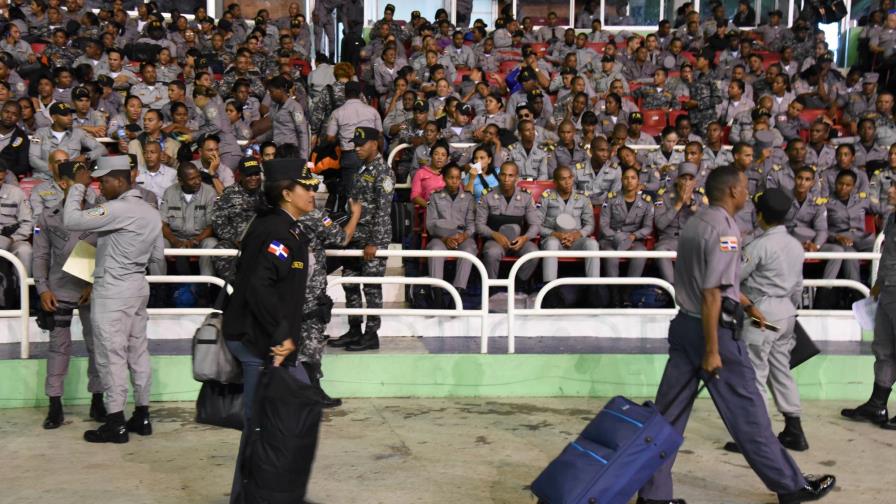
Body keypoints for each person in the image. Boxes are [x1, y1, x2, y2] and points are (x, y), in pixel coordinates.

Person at [636, 166, 836, 504]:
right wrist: (713, 349)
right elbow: (712, 291)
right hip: (712, 332)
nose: (748, 193)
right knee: (749, 415)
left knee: (667, 417)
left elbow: (713, 279)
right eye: (745, 187)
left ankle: (654, 495)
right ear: (732, 191)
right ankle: (790, 486)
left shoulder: (696, 222)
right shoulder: (726, 230)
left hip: (684, 326)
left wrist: (744, 303)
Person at [64, 155, 165, 444]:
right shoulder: (150, 212)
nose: (101, 187)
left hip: (113, 290)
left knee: (111, 356)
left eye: (104, 181)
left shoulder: (118, 208)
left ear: (120, 181)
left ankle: (116, 422)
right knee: (138, 352)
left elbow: (71, 220)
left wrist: (78, 187)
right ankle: (142, 416)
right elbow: (157, 257)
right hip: (137, 285)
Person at [722, 188, 809, 454]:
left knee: (754, 375)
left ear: (760, 216)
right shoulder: (795, 245)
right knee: (781, 371)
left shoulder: (759, 246)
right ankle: (794, 429)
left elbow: (732, 277)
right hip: (786, 313)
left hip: (761, 315)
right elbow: (797, 286)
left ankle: (756, 437)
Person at [33, 160, 105, 430]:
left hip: (91, 288)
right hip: (59, 289)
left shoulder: (98, 213)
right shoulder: (47, 216)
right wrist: (42, 288)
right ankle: (55, 405)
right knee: (58, 347)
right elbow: (40, 255)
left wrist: (93, 283)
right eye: (79, 178)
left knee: (96, 345)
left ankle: (98, 399)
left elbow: (105, 249)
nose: (85, 182)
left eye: (86, 178)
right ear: (63, 183)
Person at [328, 127, 394, 352]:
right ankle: (354, 329)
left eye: (361, 144)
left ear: (375, 144)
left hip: (372, 241)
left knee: (372, 288)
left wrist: (374, 242)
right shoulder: (361, 168)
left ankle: (371, 334)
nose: (356, 147)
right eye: (355, 143)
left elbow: (383, 211)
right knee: (350, 283)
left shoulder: (383, 172)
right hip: (356, 237)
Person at [841, 179, 896, 429]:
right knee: (883, 348)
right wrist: (880, 282)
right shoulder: (893, 218)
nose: (890, 191)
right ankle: (877, 404)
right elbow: (889, 255)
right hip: (888, 290)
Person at [475, 161, 542, 283]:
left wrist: (525, 238)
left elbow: (535, 225)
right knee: (491, 252)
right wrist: (494, 235)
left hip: (518, 241)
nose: (506, 179)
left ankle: (518, 284)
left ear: (516, 178)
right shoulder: (487, 195)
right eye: (503, 175)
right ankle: (491, 287)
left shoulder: (525, 196)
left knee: (533, 252)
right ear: (499, 176)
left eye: (510, 176)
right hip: (495, 241)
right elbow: (479, 225)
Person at [426, 164, 478, 302]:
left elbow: (471, 224)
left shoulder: (467, 197)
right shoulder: (435, 197)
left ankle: (458, 295)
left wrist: (464, 236)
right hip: (441, 237)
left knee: (469, 249)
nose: (454, 181)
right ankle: (437, 294)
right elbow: (430, 225)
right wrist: (445, 239)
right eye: (450, 178)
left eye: (457, 178)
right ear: (444, 178)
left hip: (462, 237)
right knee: (435, 249)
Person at [538, 166, 598, 284]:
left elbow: (590, 224)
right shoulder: (546, 197)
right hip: (554, 239)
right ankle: (550, 289)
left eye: (570, 178)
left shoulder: (583, 198)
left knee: (592, 244)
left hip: (576, 240)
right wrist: (555, 234)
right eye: (563, 179)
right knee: (551, 243)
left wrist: (577, 234)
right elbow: (536, 225)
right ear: (555, 182)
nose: (567, 182)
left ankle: (594, 288)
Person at [211, 157, 265, 283]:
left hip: (263, 241)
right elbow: (218, 222)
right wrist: (236, 239)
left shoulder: (268, 194)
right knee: (220, 251)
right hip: (235, 242)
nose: (253, 178)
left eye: (256, 174)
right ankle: (236, 288)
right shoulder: (228, 194)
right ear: (240, 176)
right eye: (249, 175)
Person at [160, 164, 219, 278]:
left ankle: (206, 285)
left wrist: (196, 240)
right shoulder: (170, 192)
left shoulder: (209, 192)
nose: (197, 181)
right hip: (175, 238)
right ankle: (160, 286)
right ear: (181, 181)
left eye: (198, 177)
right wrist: (174, 240)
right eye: (192, 179)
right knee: (158, 244)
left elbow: (212, 225)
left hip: (200, 238)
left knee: (211, 244)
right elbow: (162, 223)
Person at [654, 162, 706, 283]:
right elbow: (660, 224)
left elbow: (708, 222)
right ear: (677, 179)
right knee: (660, 251)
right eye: (684, 178)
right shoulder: (663, 197)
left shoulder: (700, 197)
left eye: (690, 179)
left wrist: (691, 205)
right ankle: (673, 288)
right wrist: (678, 204)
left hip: (692, 239)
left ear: (695, 182)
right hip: (669, 240)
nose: (687, 182)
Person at [28, 102, 107, 180]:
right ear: (54, 117)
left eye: (70, 114)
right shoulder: (40, 133)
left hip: (71, 179)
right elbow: (33, 159)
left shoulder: (78, 133)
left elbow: (102, 149)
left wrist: (86, 156)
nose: (70, 118)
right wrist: (54, 170)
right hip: (44, 178)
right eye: (65, 115)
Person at [0, 160, 33, 274]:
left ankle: (22, 289)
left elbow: (27, 222)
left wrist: (13, 238)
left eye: (0, 179)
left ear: (5, 176)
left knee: (25, 251)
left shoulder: (16, 193)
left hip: (12, 239)